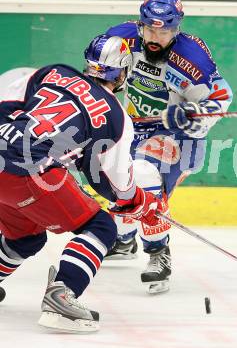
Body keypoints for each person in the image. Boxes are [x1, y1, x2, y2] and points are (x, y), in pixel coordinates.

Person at [0, 35, 163, 332]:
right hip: (29, 170)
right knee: (101, 227)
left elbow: (7, 104)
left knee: (25, 237)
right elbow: (113, 183)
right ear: (123, 71)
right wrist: (138, 201)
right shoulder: (115, 115)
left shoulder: (54, 71)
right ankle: (62, 295)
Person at [103, 0, 233, 294]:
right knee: (117, 186)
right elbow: (100, 73)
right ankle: (124, 240)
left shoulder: (192, 58)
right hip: (132, 128)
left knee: (145, 179)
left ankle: (159, 253)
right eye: (149, 28)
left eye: (163, 31)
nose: (155, 36)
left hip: (177, 138)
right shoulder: (121, 40)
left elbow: (221, 98)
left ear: (177, 29)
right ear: (140, 23)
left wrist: (192, 114)